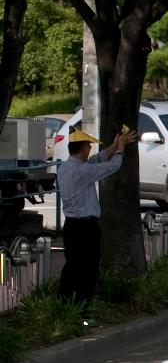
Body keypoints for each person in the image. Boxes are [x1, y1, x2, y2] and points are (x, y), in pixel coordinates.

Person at [57, 126, 138, 324]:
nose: (90, 150)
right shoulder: (82, 171)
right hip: (86, 228)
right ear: (83, 148)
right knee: (88, 271)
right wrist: (120, 149)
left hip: (71, 227)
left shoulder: (65, 167)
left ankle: (63, 308)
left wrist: (112, 146)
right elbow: (110, 167)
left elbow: (96, 161)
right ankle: (83, 314)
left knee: (72, 268)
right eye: (88, 146)